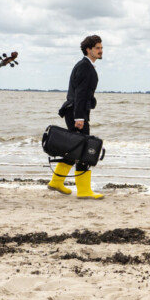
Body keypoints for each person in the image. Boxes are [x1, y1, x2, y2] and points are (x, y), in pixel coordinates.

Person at [49, 35, 104, 199]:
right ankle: (84, 190)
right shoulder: (85, 67)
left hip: (75, 111)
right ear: (89, 50)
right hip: (75, 112)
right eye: (98, 48)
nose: (101, 51)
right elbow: (80, 94)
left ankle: (56, 182)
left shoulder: (87, 66)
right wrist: (79, 117)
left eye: (101, 48)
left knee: (73, 149)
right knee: (85, 149)